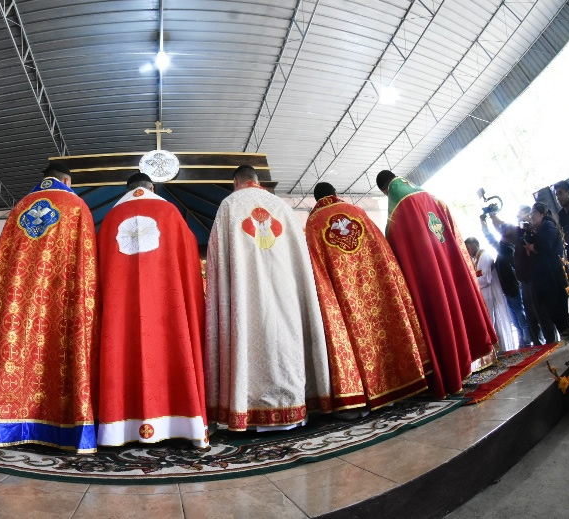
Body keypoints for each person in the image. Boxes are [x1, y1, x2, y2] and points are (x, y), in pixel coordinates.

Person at [0, 162, 99, 452]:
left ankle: (4, 422)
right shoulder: (76, 206)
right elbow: (85, 266)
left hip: (15, 301)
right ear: (67, 181)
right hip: (59, 301)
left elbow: (1, 264)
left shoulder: (19, 207)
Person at [205, 165, 331, 431]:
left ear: (235, 182)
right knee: (287, 342)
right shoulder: (281, 206)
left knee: (250, 341)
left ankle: (248, 412)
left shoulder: (229, 206)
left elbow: (217, 262)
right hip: (286, 295)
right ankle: (294, 406)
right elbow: (301, 259)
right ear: (257, 180)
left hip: (245, 298)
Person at [96, 173, 208, 447]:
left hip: (119, 313)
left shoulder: (110, 219)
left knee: (120, 352)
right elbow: (188, 253)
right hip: (169, 308)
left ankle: (117, 430)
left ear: (126, 189)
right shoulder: (169, 212)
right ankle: (183, 423)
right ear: (153, 187)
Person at [305, 182, 430, 413]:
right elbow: (382, 249)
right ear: (335, 193)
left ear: (316, 200)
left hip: (345, 297)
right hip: (377, 286)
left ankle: (366, 395)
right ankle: (408, 381)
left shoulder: (313, 223)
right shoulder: (357, 212)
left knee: (358, 341)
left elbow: (317, 271)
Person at [376, 171, 496, 398]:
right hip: (447, 262)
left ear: (385, 190)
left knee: (440, 314)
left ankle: (451, 372)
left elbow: (396, 249)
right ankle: (468, 361)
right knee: (455, 303)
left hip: (428, 275)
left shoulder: (398, 209)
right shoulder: (428, 196)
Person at [524, 202, 569, 340]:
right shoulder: (540, 228)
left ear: (543, 213)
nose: (531, 216)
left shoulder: (548, 225)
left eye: (534, 213)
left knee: (559, 314)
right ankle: (568, 341)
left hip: (554, 277)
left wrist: (532, 247)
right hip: (547, 279)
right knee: (556, 315)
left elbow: (545, 245)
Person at [481, 214, 530, 347]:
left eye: (504, 233)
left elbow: (492, 238)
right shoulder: (504, 249)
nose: (501, 235)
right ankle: (523, 341)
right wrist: (485, 223)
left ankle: (528, 341)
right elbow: (492, 238)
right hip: (507, 289)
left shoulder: (509, 248)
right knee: (516, 319)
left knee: (521, 317)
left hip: (514, 288)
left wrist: (489, 221)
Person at [464, 237, 518, 351]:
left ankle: (503, 348)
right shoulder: (476, 259)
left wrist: (471, 281)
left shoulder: (485, 256)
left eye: (468, 248)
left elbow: (486, 279)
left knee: (495, 322)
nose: (467, 251)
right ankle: (498, 349)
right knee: (492, 322)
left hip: (492, 293)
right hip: (486, 294)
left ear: (474, 245)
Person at [555, 180, 569, 261]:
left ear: (568, 193)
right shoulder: (560, 214)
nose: (558, 197)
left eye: (560, 193)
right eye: (556, 195)